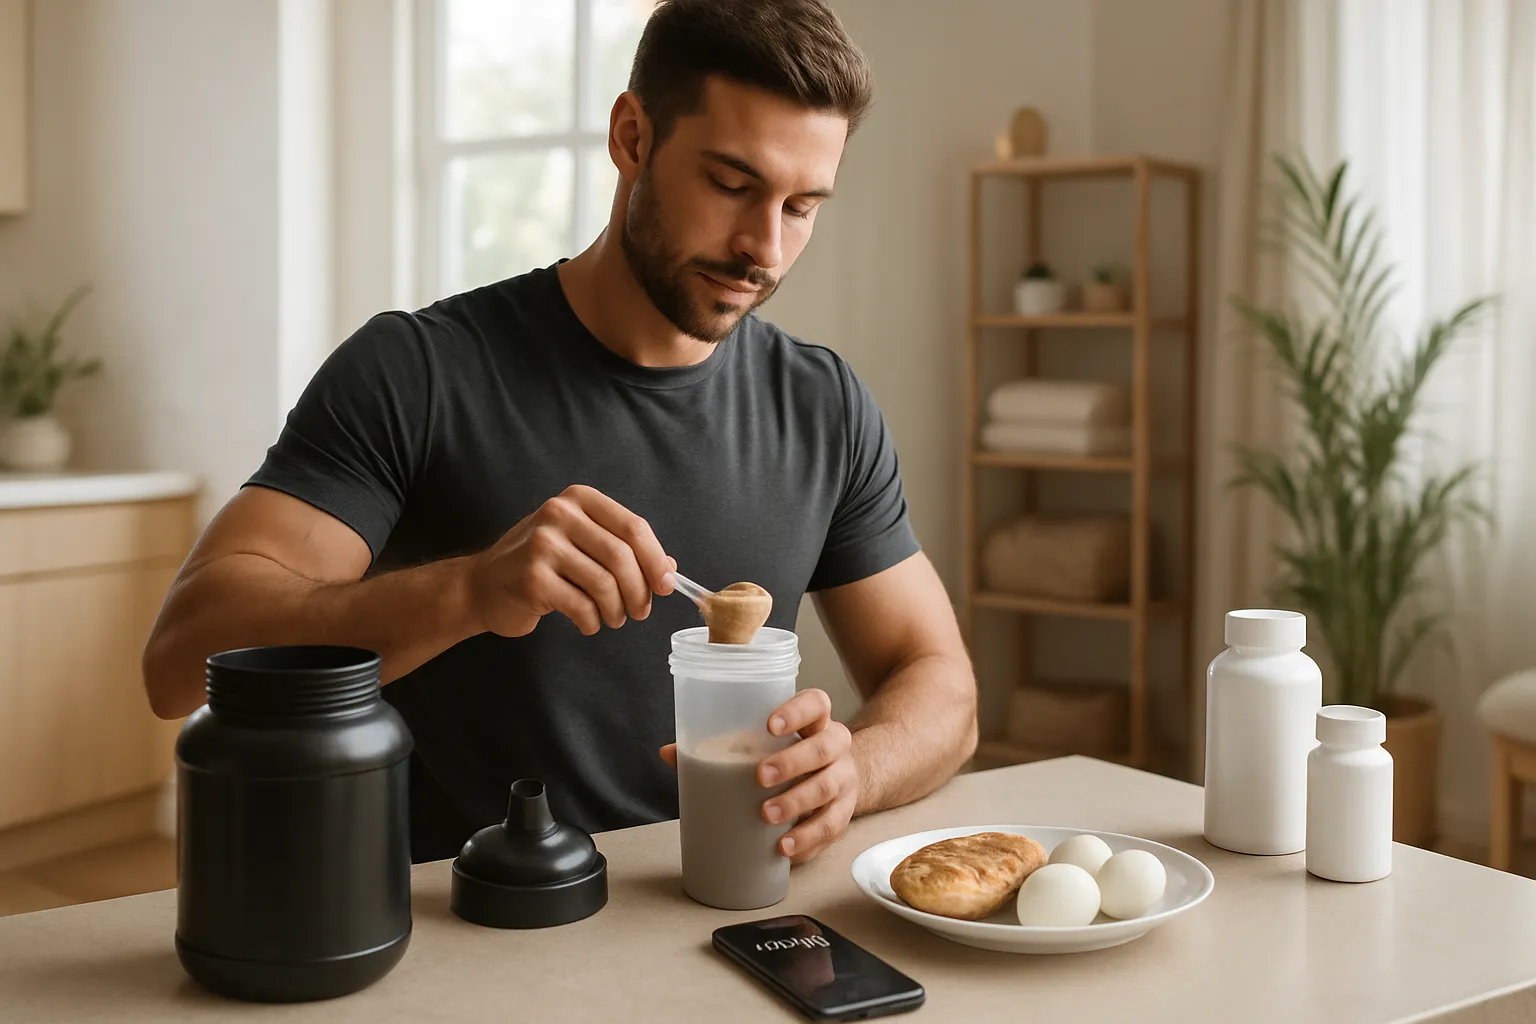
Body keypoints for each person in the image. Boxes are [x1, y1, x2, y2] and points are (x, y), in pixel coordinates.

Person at [142, 0, 977, 866]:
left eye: (801, 206)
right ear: (631, 136)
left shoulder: (825, 407)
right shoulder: (417, 372)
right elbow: (179, 662)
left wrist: (854, 769)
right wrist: (470, 593)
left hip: (714, 911)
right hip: (466, 933)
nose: (763, 248)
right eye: (732, 184)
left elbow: (941, 684)